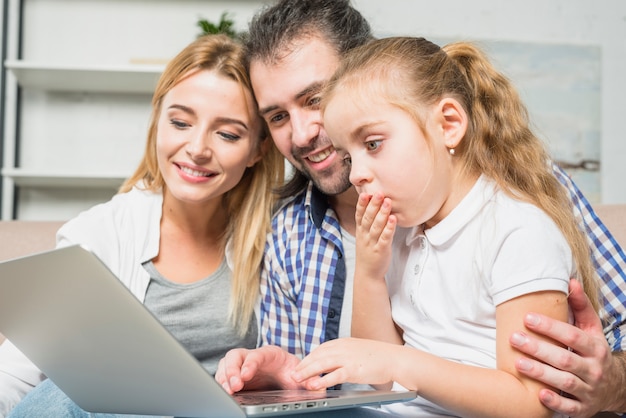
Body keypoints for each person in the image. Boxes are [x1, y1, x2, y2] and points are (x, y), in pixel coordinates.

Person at [216, 1, 626, 416]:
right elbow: (373, 365)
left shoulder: (524, 198)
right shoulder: (307, 231)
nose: (302, 133)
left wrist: (614, 385)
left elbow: (532, 397)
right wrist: (288, 378)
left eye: (315, 98)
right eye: (278, 116)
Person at [288, 35, 599, 417]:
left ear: (449, 125)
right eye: (349, 158)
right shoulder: (406, 228)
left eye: (371, 144)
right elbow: (381, 382)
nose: (357, 175)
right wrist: (370, 272)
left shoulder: (517, 231)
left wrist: (400, 362)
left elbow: (530, 404)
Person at [0, 33, 284, 417]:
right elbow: (15, 375)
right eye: (180, 122)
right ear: (157, 123)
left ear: (257, 150)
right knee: (56, 398)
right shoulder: (96, 235)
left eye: (227, 134)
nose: (198, 148)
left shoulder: (281, 238)